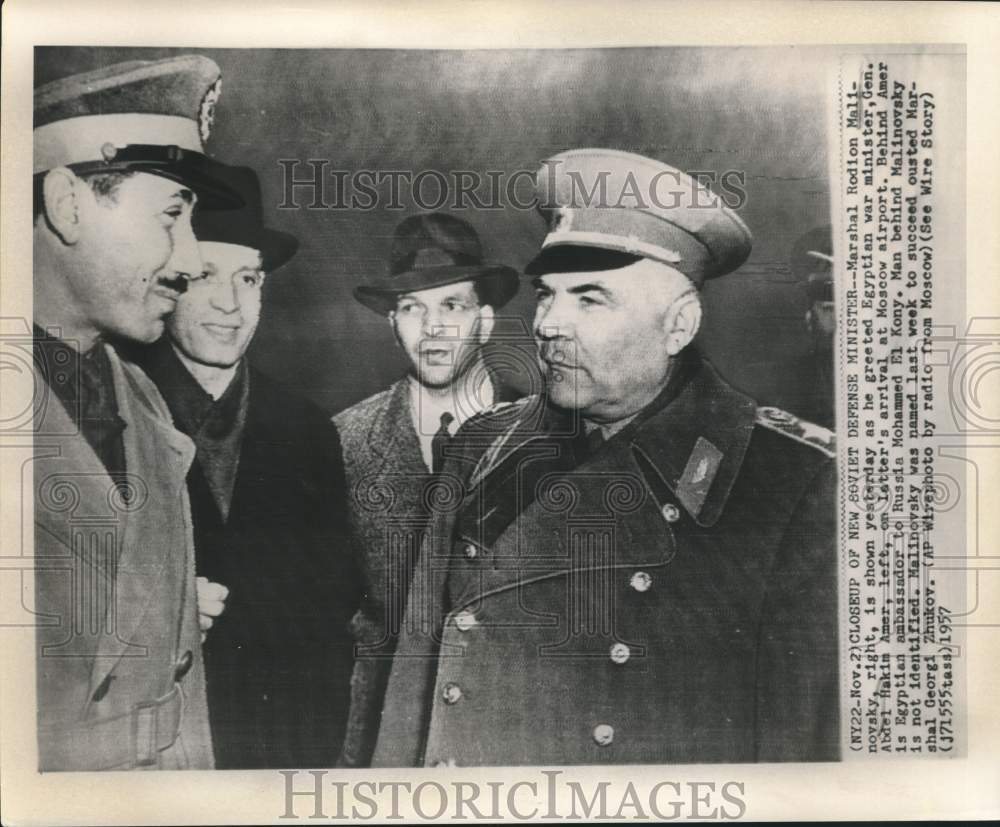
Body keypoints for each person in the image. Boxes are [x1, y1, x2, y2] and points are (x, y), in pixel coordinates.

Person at [372, 149, 840, 766]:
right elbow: (412, 695)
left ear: (679, 326)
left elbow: (801, 751)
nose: (547, 324)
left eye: (591, 299)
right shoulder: (483, 446)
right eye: (546, 294)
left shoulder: (796, 481)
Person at [31, 55, 241, 771]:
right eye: (172, 216)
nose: (188, 260)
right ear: (67, 203)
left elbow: (179, 710)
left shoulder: (142, 399)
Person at [128, 165, 360, 768]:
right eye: (207, 275)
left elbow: (330, 623)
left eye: (249, 278)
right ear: (170, 276)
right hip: (152, 760)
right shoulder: (114, 411)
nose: (231, 304)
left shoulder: (308, 430)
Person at [335, 212, 521, 767]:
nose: (432, 329)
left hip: (507, 740)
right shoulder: (344, 440)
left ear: (485, 321)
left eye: (452, 306)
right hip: (377, 746)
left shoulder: (551, 437)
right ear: (392, 322)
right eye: (413, 308)